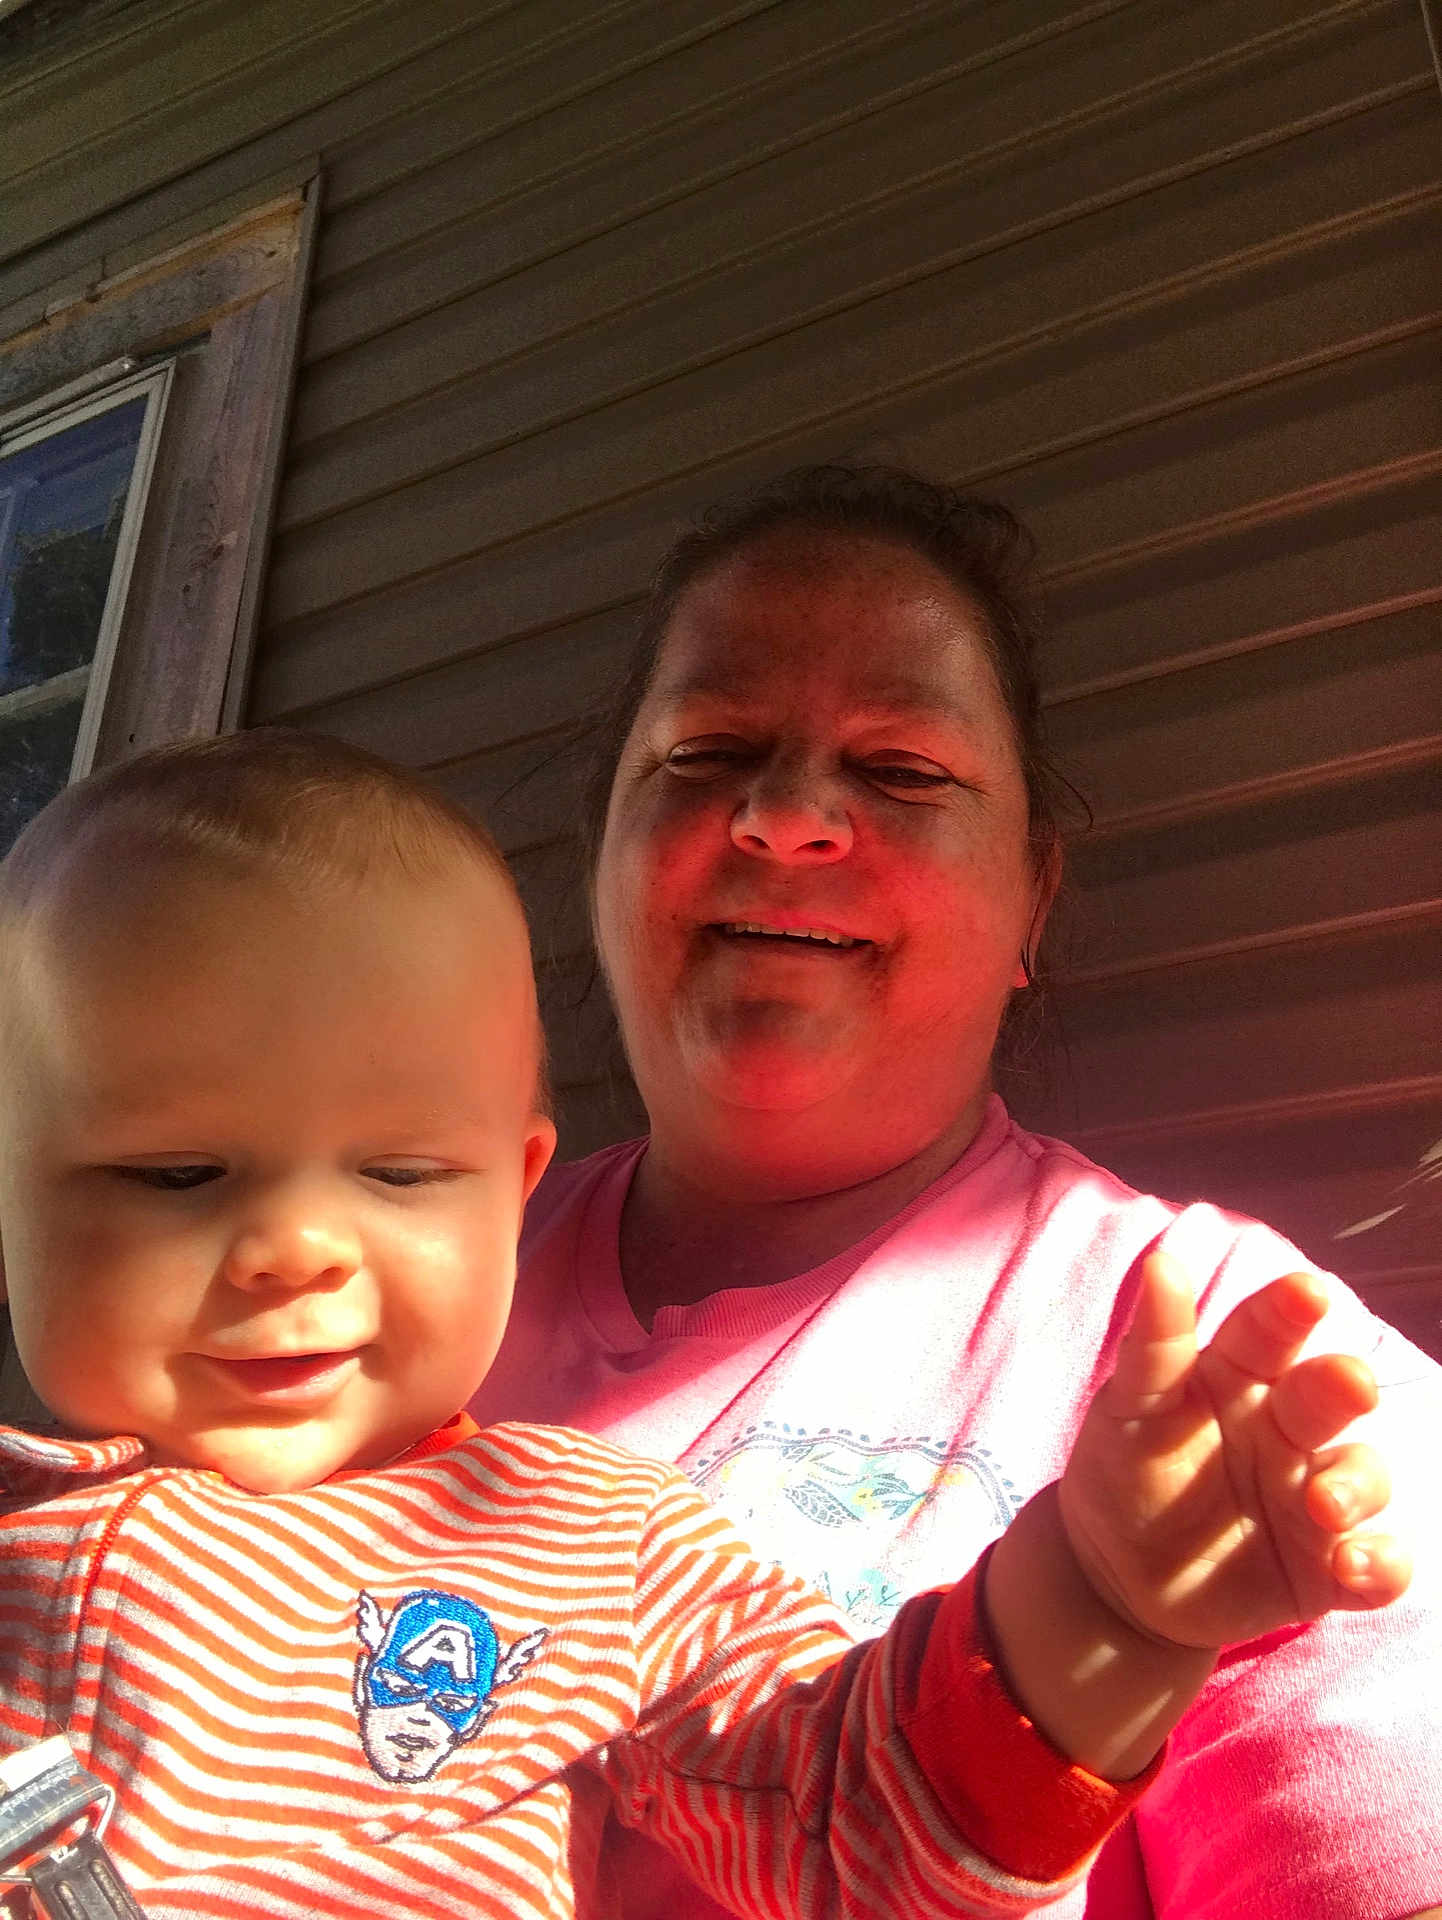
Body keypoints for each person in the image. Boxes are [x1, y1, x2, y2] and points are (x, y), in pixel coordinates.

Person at [0, 731, 1407, 1920]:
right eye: (175, 1174)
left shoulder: (590, 1548)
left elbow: (853, 1817)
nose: (291, 1248)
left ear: (512, 1189)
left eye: (400, 1172)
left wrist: (1101, 1609)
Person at [471, 464, 1442, 1920]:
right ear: (603, 855)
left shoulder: (1240, 1356)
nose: (786, 817)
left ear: (1028, 905)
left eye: (903, 770)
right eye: (706, 748)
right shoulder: (354, 1282)